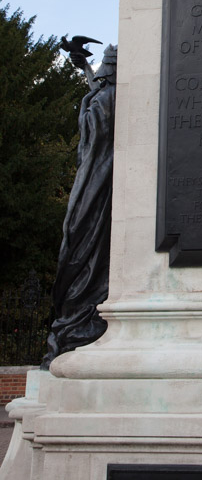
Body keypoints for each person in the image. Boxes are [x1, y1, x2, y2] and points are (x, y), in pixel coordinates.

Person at [41, 44, 117, 369]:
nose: (98, 77)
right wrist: (84, 68)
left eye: (102, 71)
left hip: (100, 178)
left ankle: (78, 312)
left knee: (80, 234)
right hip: (91, 174)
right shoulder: (105, 94)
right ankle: (73, 316)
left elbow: (102, 121)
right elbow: (100, 101)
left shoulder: (107, 97)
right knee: (74, 233)